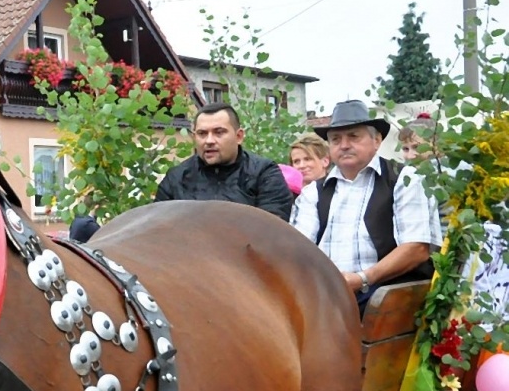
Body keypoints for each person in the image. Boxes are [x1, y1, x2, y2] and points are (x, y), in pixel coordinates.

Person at [290, 100, 442, 308]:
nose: (344, 145)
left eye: (353, 136)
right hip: (324, 295)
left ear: (377, 140)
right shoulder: (312, 193)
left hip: (383, 295)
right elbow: (298, 250)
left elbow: (417, 247)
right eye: (335, 139)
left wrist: (362, 278)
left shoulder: (405, 179)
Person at [155, 103, 294, 221]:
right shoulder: (176, 178)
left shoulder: (264, 174)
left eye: (219, 132)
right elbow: (158, 229)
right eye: (202, 134)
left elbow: (273, 230)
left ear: (239, 136)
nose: (209, 141)